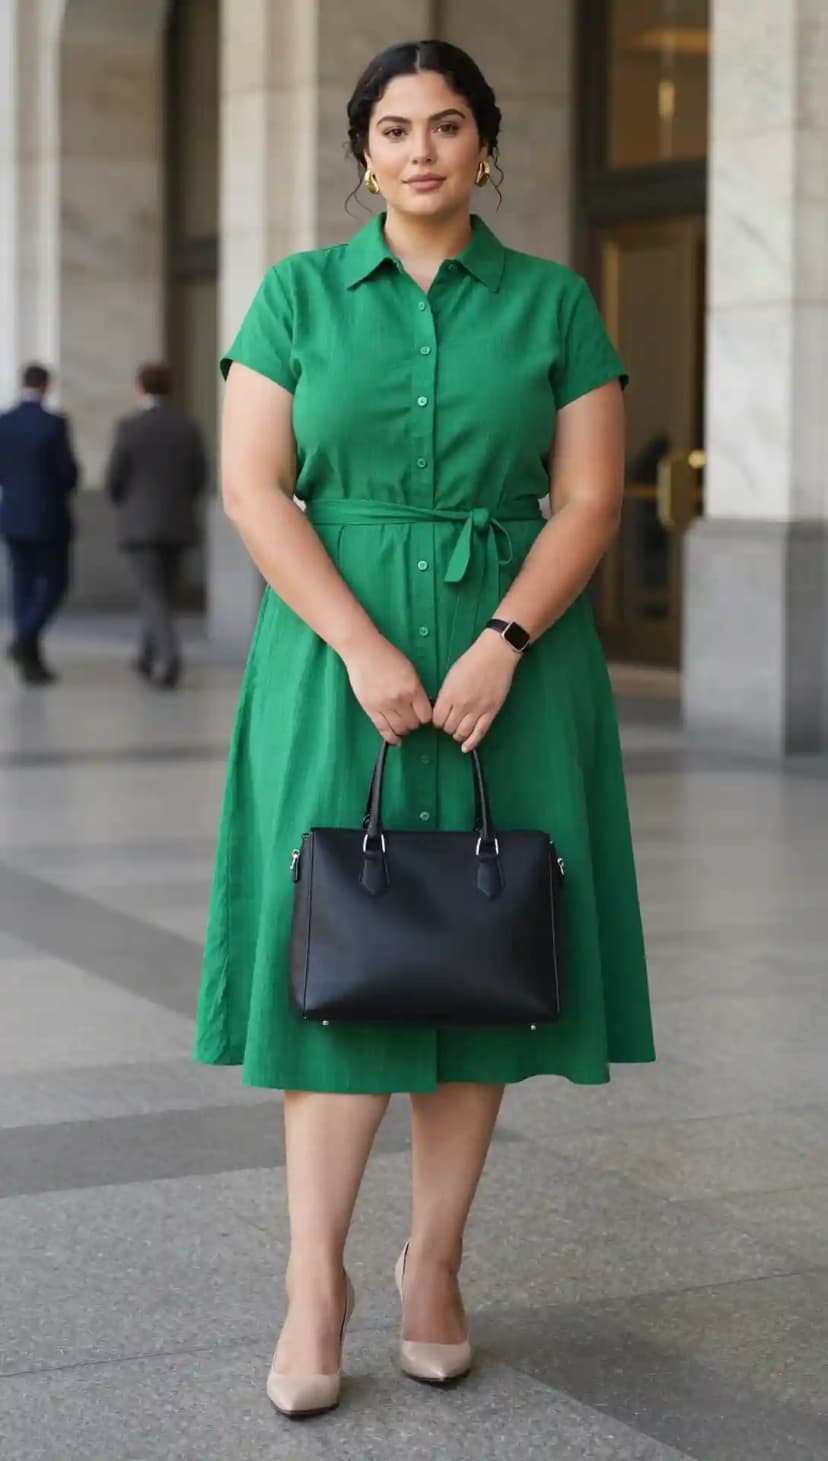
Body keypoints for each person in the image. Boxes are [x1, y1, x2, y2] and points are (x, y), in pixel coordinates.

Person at [194, 40, 655, 1420]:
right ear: (363, 152)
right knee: (340, 949)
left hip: (518, 662)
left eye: (447, 125)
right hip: (328, 659)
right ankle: (314, 1281)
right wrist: (360, 643)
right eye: (394, 129)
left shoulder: (555, 301)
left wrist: (503, 642)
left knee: (479, 956)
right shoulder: (295, 296)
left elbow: (588, 499)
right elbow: (255, 487)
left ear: (485, 146)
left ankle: (435, 1265)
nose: (420, 151)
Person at [105, 363, 207, 688]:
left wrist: (125, 503)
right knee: (162, 592)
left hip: (140, 525)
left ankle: (169, 656)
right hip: (178, 523)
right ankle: (146, 655)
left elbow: (114, 477)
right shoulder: (187, 427)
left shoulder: (129, 427)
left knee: (152, 594)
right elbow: (199, 476)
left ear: (140, 388)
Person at [0, 362, 78, 684]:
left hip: (13, 515)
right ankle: (25, 641)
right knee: (56, 582)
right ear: (46, 386)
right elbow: (68, 473)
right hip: (49, 517)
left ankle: (28, 653)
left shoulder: (4, 422)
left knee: (22, 586)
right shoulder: (54, 423)